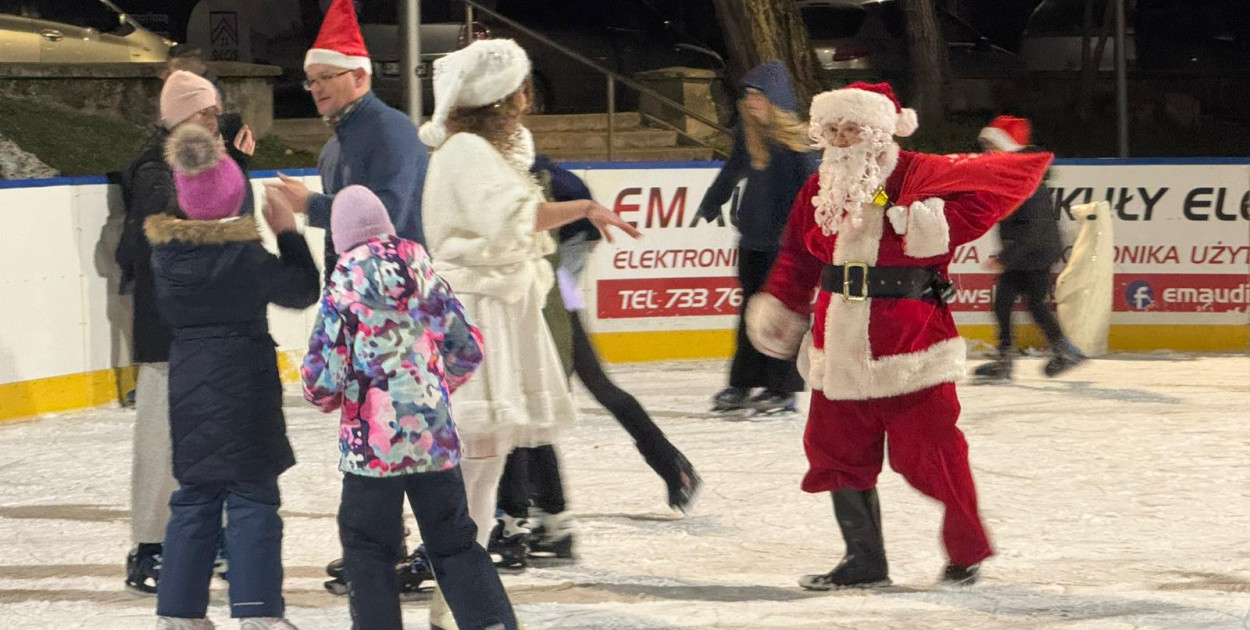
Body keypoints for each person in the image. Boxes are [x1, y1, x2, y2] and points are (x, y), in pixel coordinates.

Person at [744, 82, 1053, 590]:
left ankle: (966, 550)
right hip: (837, 339)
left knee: (930, 454)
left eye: (852, 129)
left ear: (877, 131)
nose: (841, 140)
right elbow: (797, 254)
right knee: (834, 450)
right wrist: (782, 301)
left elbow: (1017, 176)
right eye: (833, 130)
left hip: (911, 338)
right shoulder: (819, 186)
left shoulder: (918, 173)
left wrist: (936, 221)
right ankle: (863, 560)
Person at [417, 38, 641, 629]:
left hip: (496, 307)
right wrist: (584, 208)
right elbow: (513, 217)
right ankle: (454, 591)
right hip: (477, 312)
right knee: (473, 462)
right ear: (502, 95)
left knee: (485, 461)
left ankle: (457, 594)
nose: (527, 94)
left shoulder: (482, 149)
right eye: (520, 85)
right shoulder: (466, 151)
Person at [300, 186, 518, 630]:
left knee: (367, 549)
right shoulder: (424, 272)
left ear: (340, 237)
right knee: (454, 542)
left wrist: (329, 399)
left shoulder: (343, 285)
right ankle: (491, 623)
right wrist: (435, 387)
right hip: (432, 436)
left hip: (372, 447)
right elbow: (466, 349)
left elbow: (322, 378)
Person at [145, 124, 320, 629]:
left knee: (194, 497)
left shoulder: (165, 256)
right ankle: (258, 611)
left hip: (188, 382)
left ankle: (178, 614)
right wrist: (287, 231)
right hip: (244, 382)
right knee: (252, 497)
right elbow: (302, 290)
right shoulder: (245, 256)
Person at [490, 157, 703, 568]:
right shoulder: (514, 165)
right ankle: (670, 466)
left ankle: (543, 510)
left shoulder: (524, 167)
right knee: (580, 385)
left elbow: (573, 213)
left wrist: (575, 240)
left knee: (547, 393)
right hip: (552, 278)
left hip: (551, 280)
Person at [117, 69, 253, 595]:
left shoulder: (206, 162)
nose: (215, 121)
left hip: (207, 326)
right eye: (205, 113)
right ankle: (149, 546)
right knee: (160, 443)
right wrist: (228, 165)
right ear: (179, 118)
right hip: (165, 330)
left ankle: (209, 536)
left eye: (216, 112)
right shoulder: (153, 170)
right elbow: (177, 218)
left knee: (211, 438)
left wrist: (232, 165)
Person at [265, 0, 428, 277]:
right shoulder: (332, 148)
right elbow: (337, 241)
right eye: (311, 81)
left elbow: (387, 217)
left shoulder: (392, 130)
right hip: (355, 289)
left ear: (359, 77)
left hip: (397, 288)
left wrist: (310, 204)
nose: (316, 88)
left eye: (326, 77)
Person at [696, 60, 818, 415]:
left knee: (782, 317)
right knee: (750, 314)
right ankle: (742, 383)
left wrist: (806, 239)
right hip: (752, 241)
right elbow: (732, 170)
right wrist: (712, 201)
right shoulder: (749, 138)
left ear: (776, 99)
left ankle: (782, 388)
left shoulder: (799, 146)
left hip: (786, 246)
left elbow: (813, 193)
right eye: (748, 95)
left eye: (759, 95)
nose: (751, 102)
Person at [973, 115, 1086, 380]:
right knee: (1018, 303)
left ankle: (1013, 360)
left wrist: (1006, 257)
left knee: (1018, 303)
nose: (988, 152)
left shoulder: (1026, 176)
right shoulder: (1015, 172)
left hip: (1034, 251)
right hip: (1029, 250)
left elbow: (1033, 227)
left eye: (993, 146)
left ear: (1008, 147)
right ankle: (1058, 351)